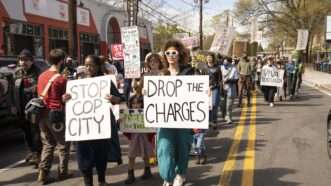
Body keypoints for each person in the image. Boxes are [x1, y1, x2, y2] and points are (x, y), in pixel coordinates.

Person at [72, 55, 123, 186]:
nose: (88, 68)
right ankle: (87, 182)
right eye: (86, 65)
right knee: (84, 154)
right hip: (84, 125)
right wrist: (65, 98)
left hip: (101, 124)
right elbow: (71, 101)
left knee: (101, 153)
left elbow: (119, 99)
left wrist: (113, 98)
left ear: (98, 66)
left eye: (91, 65)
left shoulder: (105, 82)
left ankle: (101, 180)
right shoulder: (78, 82)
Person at [157, 40, 195, 186]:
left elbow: (196, 92)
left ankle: (180, 174)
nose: (171, 55)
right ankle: (167, 176)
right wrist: (147, 93)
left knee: (182, 148)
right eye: (168, 53)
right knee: (164, 148)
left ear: (179, 54)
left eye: (174, 53)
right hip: (165, 120)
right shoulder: (161, 73)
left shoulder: (189, 73)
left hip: (183, 119)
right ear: (164, 55)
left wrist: (205, 92)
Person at [37, 49, 72, 184]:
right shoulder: (61, 79)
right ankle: (63, 172)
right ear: (62, 61)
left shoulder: (41, 76)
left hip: (42, 114)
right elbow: (64, 99)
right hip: (56, 115)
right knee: (63, 144)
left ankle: (43, 174)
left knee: (47, 144)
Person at [14, 49, 42, 168]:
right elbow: (12, 90)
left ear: (31, 61)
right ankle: (31, 151)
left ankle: (37, 154)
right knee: (26, 131)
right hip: (20, 106)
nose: (23, 62)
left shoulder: (38, 72)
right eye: (21, 60)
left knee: (35, 131)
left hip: (33, 107)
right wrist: (13, 106)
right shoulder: (16, 72)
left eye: (26, 60)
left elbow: (41, 89)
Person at [124, 79, 154, 184]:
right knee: (131, 155)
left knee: (145, 154)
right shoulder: (131, 98)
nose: (136, 106)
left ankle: (147, 170)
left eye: (139, 87)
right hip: (134, 135)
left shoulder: (146, 99)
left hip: (144, 134)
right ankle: (130, 174)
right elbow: (126, 115)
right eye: (135, 87)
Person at [220, 57, 239, 125]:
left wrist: (229, 81)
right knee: (222, 105)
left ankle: (229, 118)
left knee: (229, 105)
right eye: (224, 62)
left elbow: (236, 79)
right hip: (222, 89)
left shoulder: (234, 69)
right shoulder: (220, 68)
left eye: (227, 62)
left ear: (230, 62)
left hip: (230, 89)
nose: (226, 64)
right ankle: (224, 116)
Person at [206, 52, 222, 129]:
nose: (209, 58)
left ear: (213, 58)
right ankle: (209, 121)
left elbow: (220, 79)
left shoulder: (217, 68)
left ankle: (214, 121)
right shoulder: (203, 68)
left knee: (214, 104)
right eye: (208, 57)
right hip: (206, 89)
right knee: (208, 106)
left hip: (215, 88)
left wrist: (221, 88)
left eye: (210, 57)